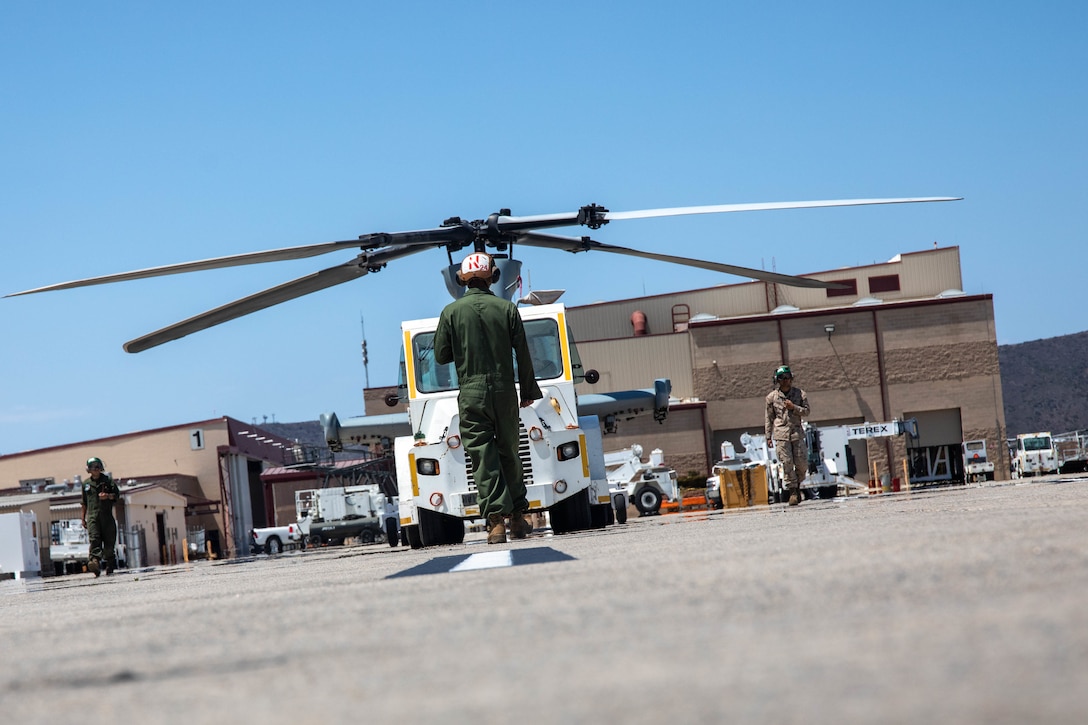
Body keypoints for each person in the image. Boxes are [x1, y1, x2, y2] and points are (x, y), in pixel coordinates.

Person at [434, 252, 543, 544]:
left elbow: (441, 355)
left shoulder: (451, 312)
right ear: (492, 277)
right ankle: (519, 519)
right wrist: (529, 391)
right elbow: (523, 353)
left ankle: (496, 524)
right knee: (510, 452)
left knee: (483, 457)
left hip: (472, 394)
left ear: (463, 279)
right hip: (505, 391)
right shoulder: (507, 309)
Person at [764, 365, 810, 506]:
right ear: (777, 380)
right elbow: (768, 418)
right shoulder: (772, 397)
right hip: (781, 434)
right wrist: (768, 436)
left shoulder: (800, 394)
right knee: (787, 463)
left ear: (791, 378)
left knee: (802, 464)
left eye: (787, 378)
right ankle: (793, 492)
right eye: (782, 378)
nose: (785, 381)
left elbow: (807, 411)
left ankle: (797, 485)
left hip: (796, 433)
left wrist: (794, 407)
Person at [81, 456, 120, 576]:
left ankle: (110, 564)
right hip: (93, 517)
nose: (96, 469)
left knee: (109, 545)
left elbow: (117, 496)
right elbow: (84, 502)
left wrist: (107, 496)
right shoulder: (86, 484)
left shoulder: (108, 481)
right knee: (94, 540)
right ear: (89, 469)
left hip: (107, 517)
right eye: (93, 467)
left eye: (97, 466)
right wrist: (83, 518)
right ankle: (95, 563)